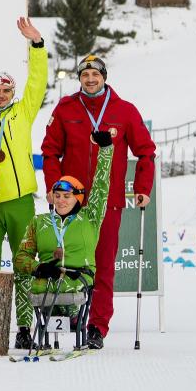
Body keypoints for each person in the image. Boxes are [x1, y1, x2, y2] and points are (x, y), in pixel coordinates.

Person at [41, 55, 156, 349]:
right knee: (69, 261)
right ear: (79, 78)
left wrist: (142, 187)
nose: (90, 79)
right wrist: (54, 188)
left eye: (95, 74)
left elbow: (146, 152)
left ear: (104, 76)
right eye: (85, 74)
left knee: (103, 265)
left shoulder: (124, 110)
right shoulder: (66, 109)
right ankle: (72, 315)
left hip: (109, 203)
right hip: (71, 202)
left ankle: (97, 325)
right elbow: (50, 152)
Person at [0, 17, 47, 349]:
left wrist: (36, 46)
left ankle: (23, 325)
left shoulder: (24, 111)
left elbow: (38, 81)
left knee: (23, 265)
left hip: (21, 200)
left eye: (6, 90)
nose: (1, 95)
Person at [15, 132, 116, 337]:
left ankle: (73, 318)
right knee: (25, 277)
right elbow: (20, 258)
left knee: (62, 287)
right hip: (48, 277)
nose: (61, 201)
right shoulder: (40, 221)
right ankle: (25, 331)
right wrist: (38, 268)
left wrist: (105, 151)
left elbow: (101, 187)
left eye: (67, 197)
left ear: (77, 198)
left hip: (78, 276)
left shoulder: (90, 217)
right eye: (58, 196)